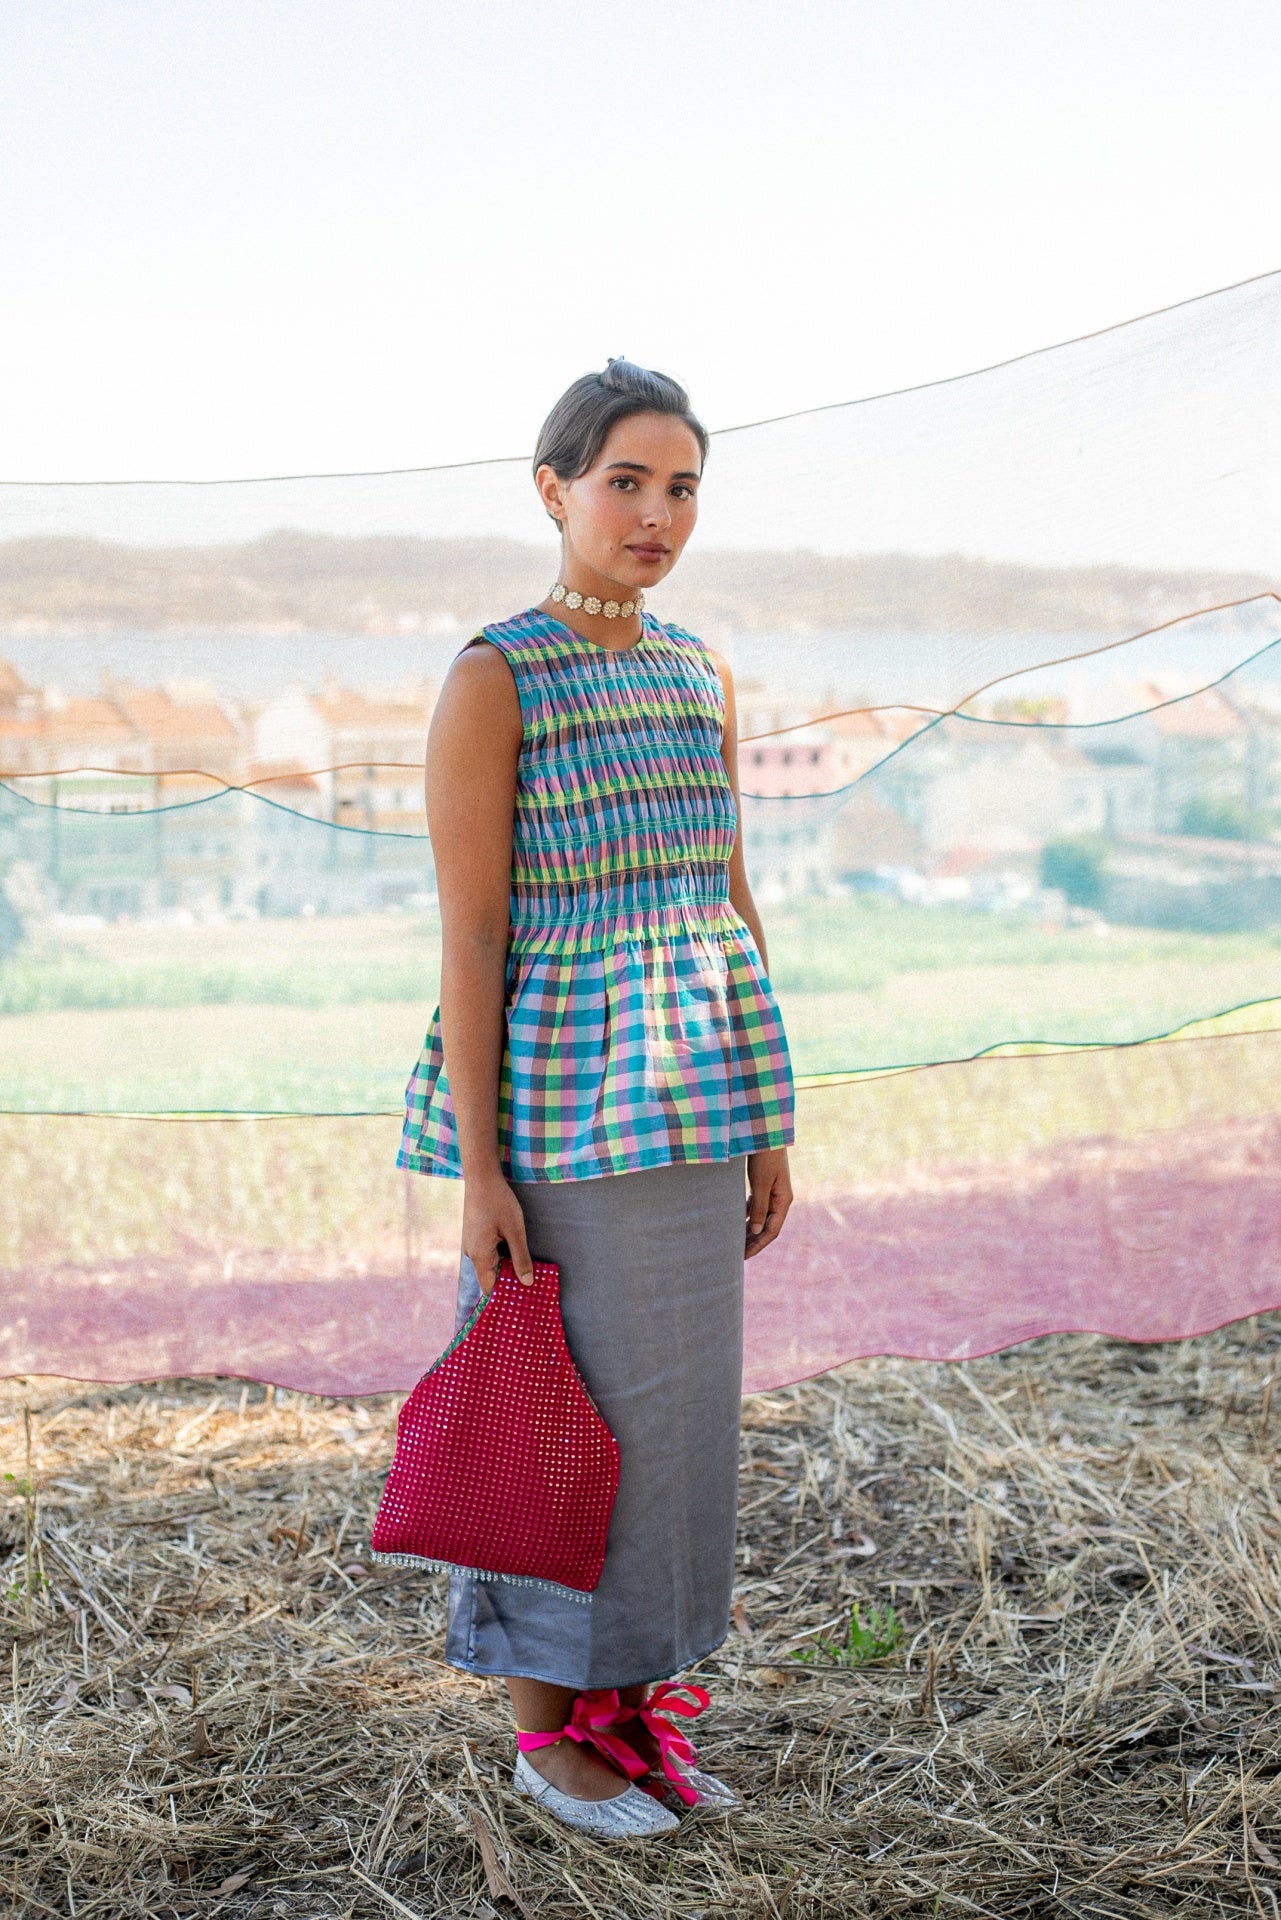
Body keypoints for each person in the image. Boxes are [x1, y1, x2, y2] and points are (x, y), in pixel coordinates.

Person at [397, 359, 795, 1837]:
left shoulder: (699, 668)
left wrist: (766, 1117)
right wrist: (481, 1171)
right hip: (562, 1105)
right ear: (552, 488)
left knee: (678, 1418)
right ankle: (537, 1737)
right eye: (623, 481)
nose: (654, 513)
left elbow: (726, 893)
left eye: (680, 485)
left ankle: (628, 1708)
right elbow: (474, 931)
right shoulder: (494, 673)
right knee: (556, 1416)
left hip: (696, 1098)